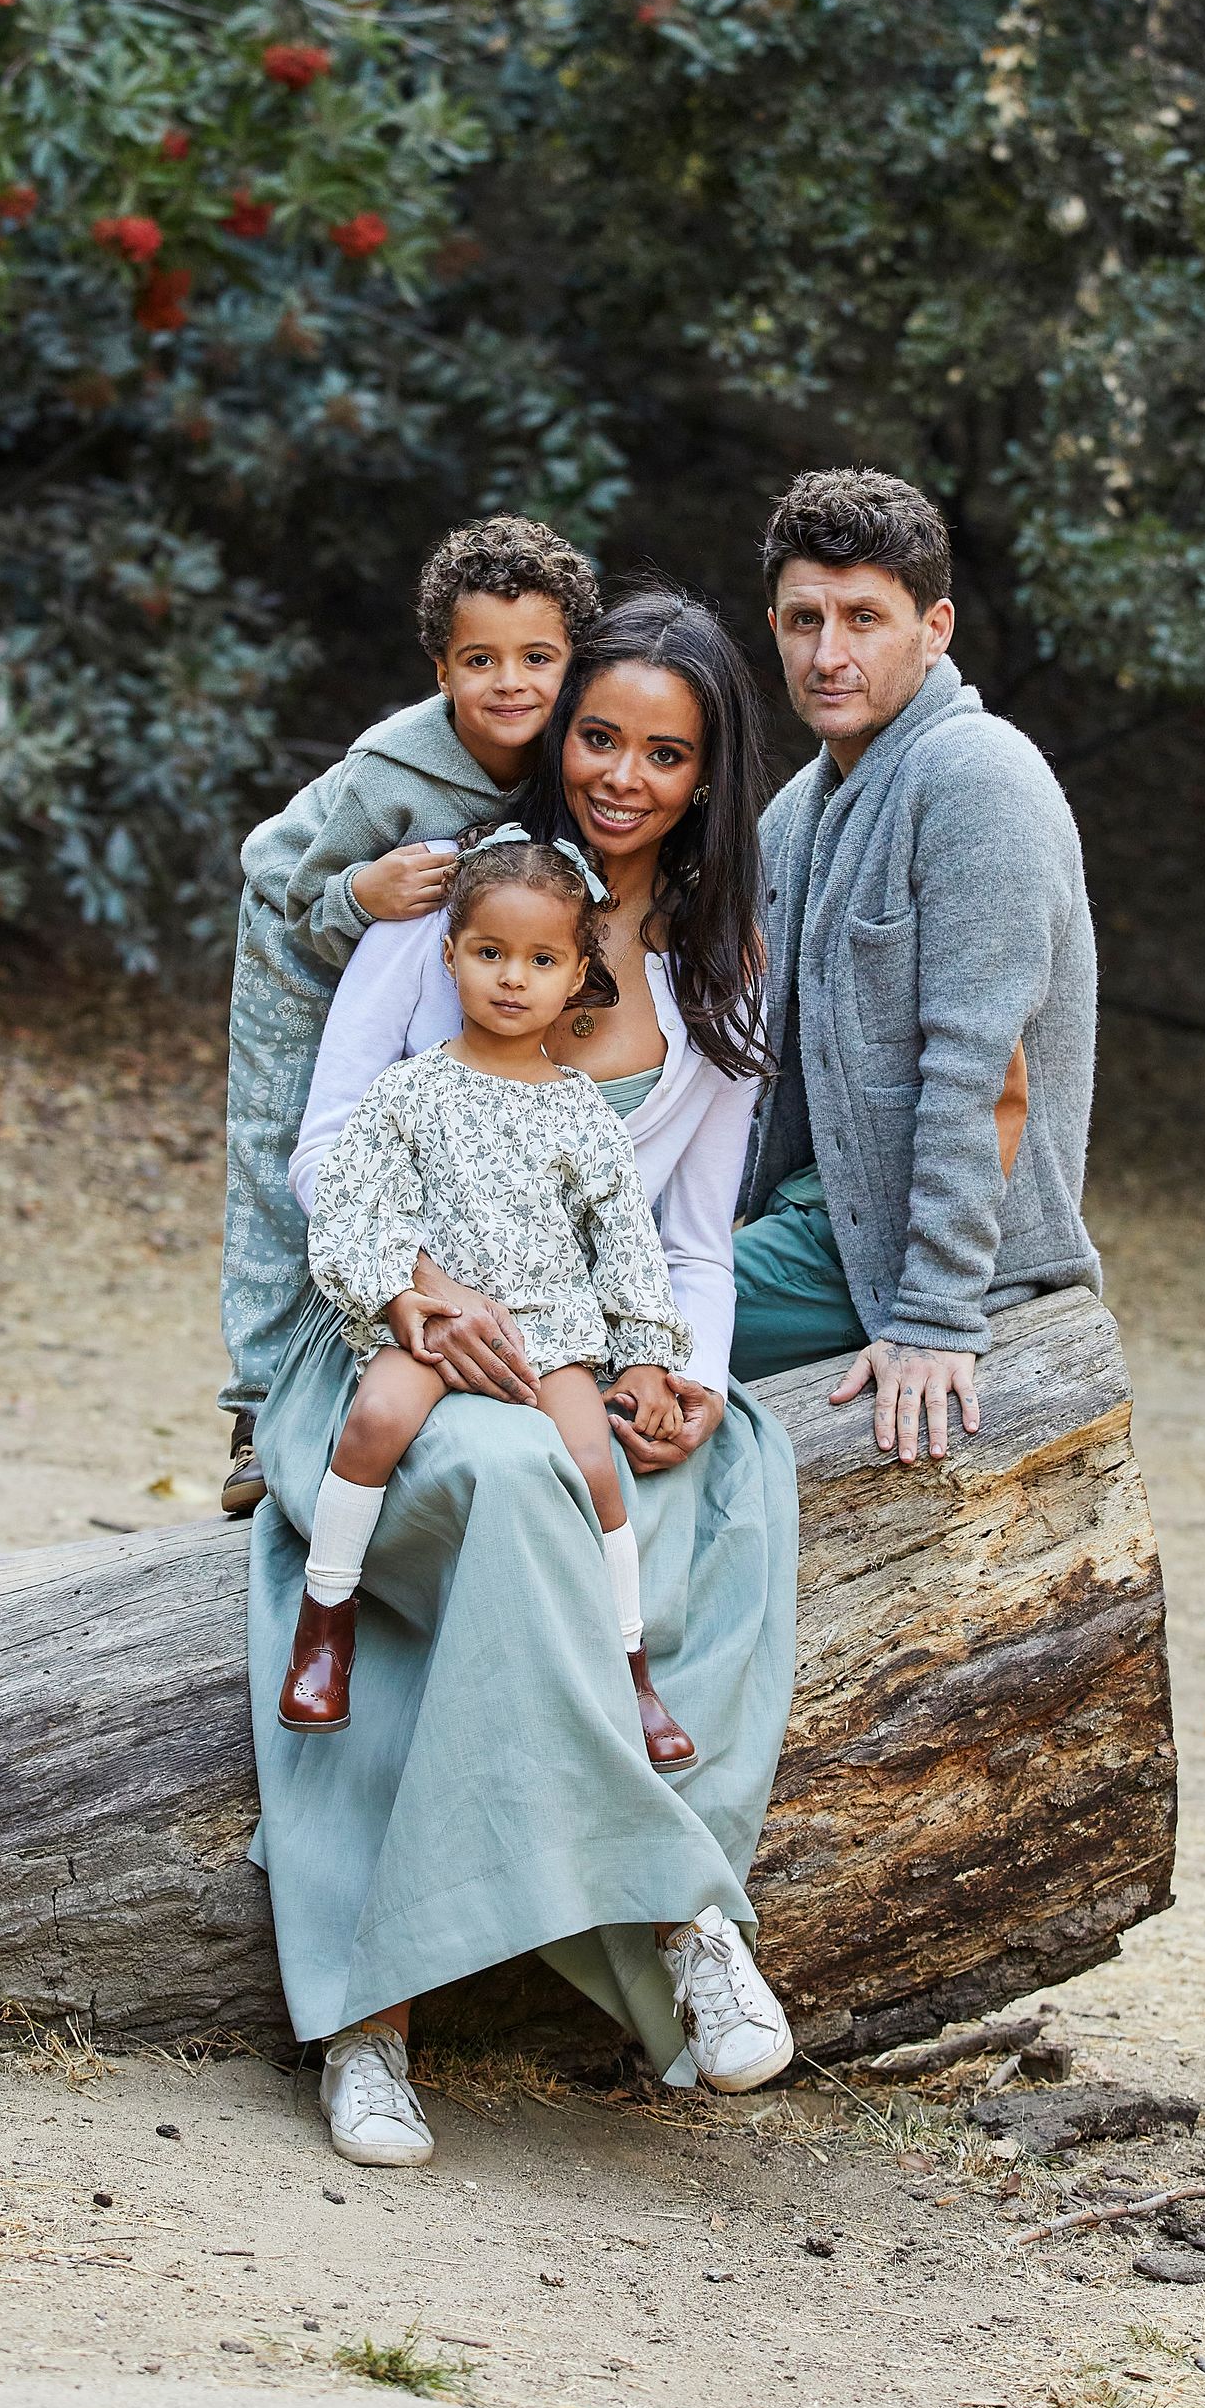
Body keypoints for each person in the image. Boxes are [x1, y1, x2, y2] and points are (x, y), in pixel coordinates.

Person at [247, 592, 800, 2167]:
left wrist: (680, 1375)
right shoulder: (451, 910)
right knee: (499, 1482)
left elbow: (692, 1241)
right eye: (601, 736)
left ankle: (402, 1998)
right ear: (560, 738)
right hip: (391, 1346)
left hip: (577, 1355)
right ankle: (660, 1922)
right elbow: (323, 1154)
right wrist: (422, 1298)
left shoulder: (715, 963)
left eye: (666, 753)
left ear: (707, 779)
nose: (624, 773)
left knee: (645, 1478)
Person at [282, 833, 696, 1770]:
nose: (513, 979)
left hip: (551, 1328)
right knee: (379, 1415)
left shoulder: (580, 1108)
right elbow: (353, 1203)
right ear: (451, 954)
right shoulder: (411, 1090)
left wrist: (643, 1352)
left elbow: (626, 1238)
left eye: (542, 960)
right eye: (491, 953)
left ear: (579, 972)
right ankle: (326, 1621)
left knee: (592, 1466)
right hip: (431, 1321)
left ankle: (630, 1669)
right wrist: (398, 1297)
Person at [218, 516, 600, 1513]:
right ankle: (257, 1406)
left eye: (536, 658)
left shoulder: (571, 747)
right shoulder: (390, 770)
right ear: (440, 669)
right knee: (280, 1159)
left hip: (413, 954)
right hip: (299, 937)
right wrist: (362, 897)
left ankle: (373, 1355)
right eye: (480, 660)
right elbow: (301, 886)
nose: (509, 682)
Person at [732, 468, 1101, 1462]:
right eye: (803, 620)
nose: (828, 653)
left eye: (863, 618)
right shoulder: (802, 809)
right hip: (814, 1215)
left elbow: (981, 1074)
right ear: (772, 626)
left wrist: (933, 1315)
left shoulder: (975, 777)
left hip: (908, 1257)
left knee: (588, 1339)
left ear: (932, 627)